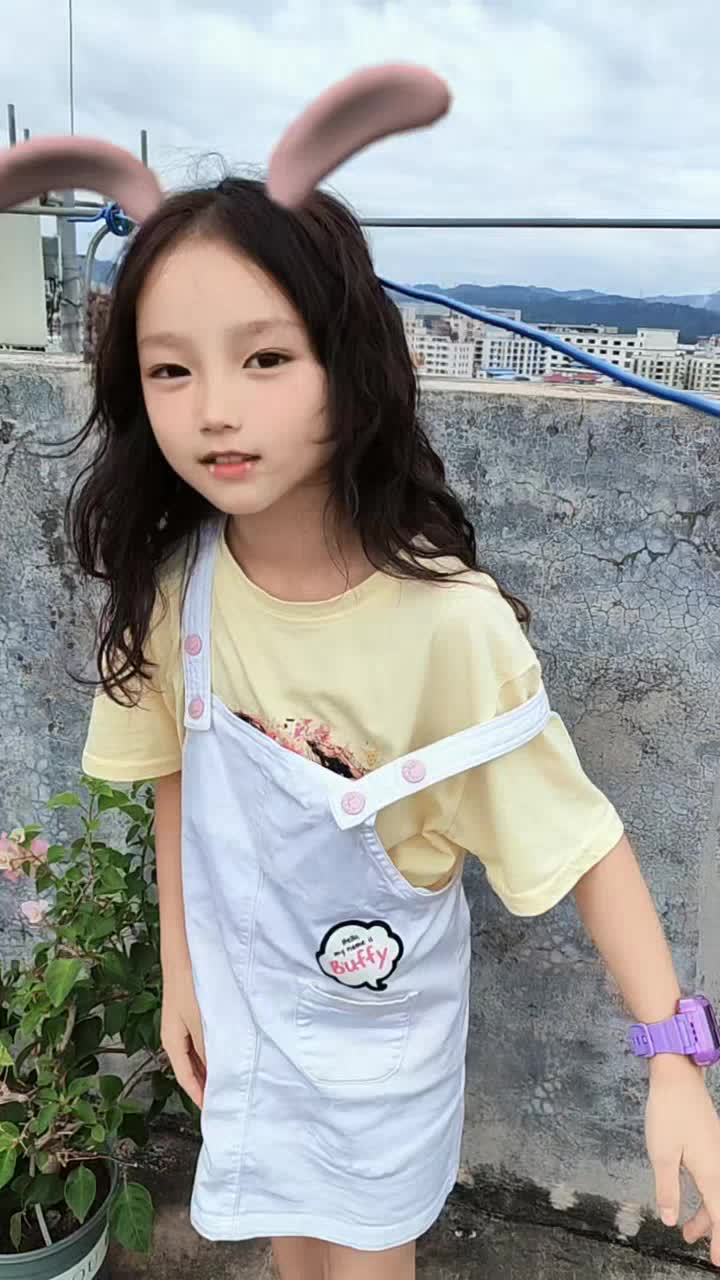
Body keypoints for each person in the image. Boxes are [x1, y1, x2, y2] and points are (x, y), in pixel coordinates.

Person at [70, 176, 720, 1280]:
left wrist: (674, 1059)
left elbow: (581, 840)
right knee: (290, 1248)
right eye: (171, 368)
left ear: (351, 363)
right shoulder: (181, 592)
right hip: (251, 1019)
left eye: (265, 357)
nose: (215, 408)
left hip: (385, 1053)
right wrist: (184, 973)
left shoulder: (449, 625)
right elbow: (181, 770)